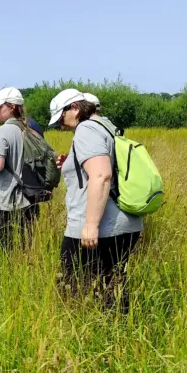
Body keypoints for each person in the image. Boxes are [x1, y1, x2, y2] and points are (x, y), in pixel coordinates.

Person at [50, 88, 142, 311]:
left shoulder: (86, 130)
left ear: (74, 108)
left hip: (102, 227)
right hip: (121, 223)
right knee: (113, 288)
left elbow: (101, 175)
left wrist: (91, 225)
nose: (59, 125)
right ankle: (121, 338)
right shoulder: (106, 125)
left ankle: (84, 337)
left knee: (70, 286)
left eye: (60, 118)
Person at [0, 87, 38, 249]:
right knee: (28, 247)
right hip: (31, 197)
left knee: (9, 248)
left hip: (8, 200)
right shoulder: (31, 128)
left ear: (12, 106)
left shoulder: (2, 131)